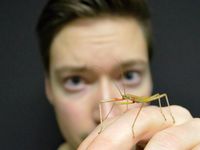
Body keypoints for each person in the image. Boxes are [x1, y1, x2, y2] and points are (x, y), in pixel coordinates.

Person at [36, 0, 200, 149]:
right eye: (75, 80)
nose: (108, 117)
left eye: (129, 75)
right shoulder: (120, 101)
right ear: (49, 88)